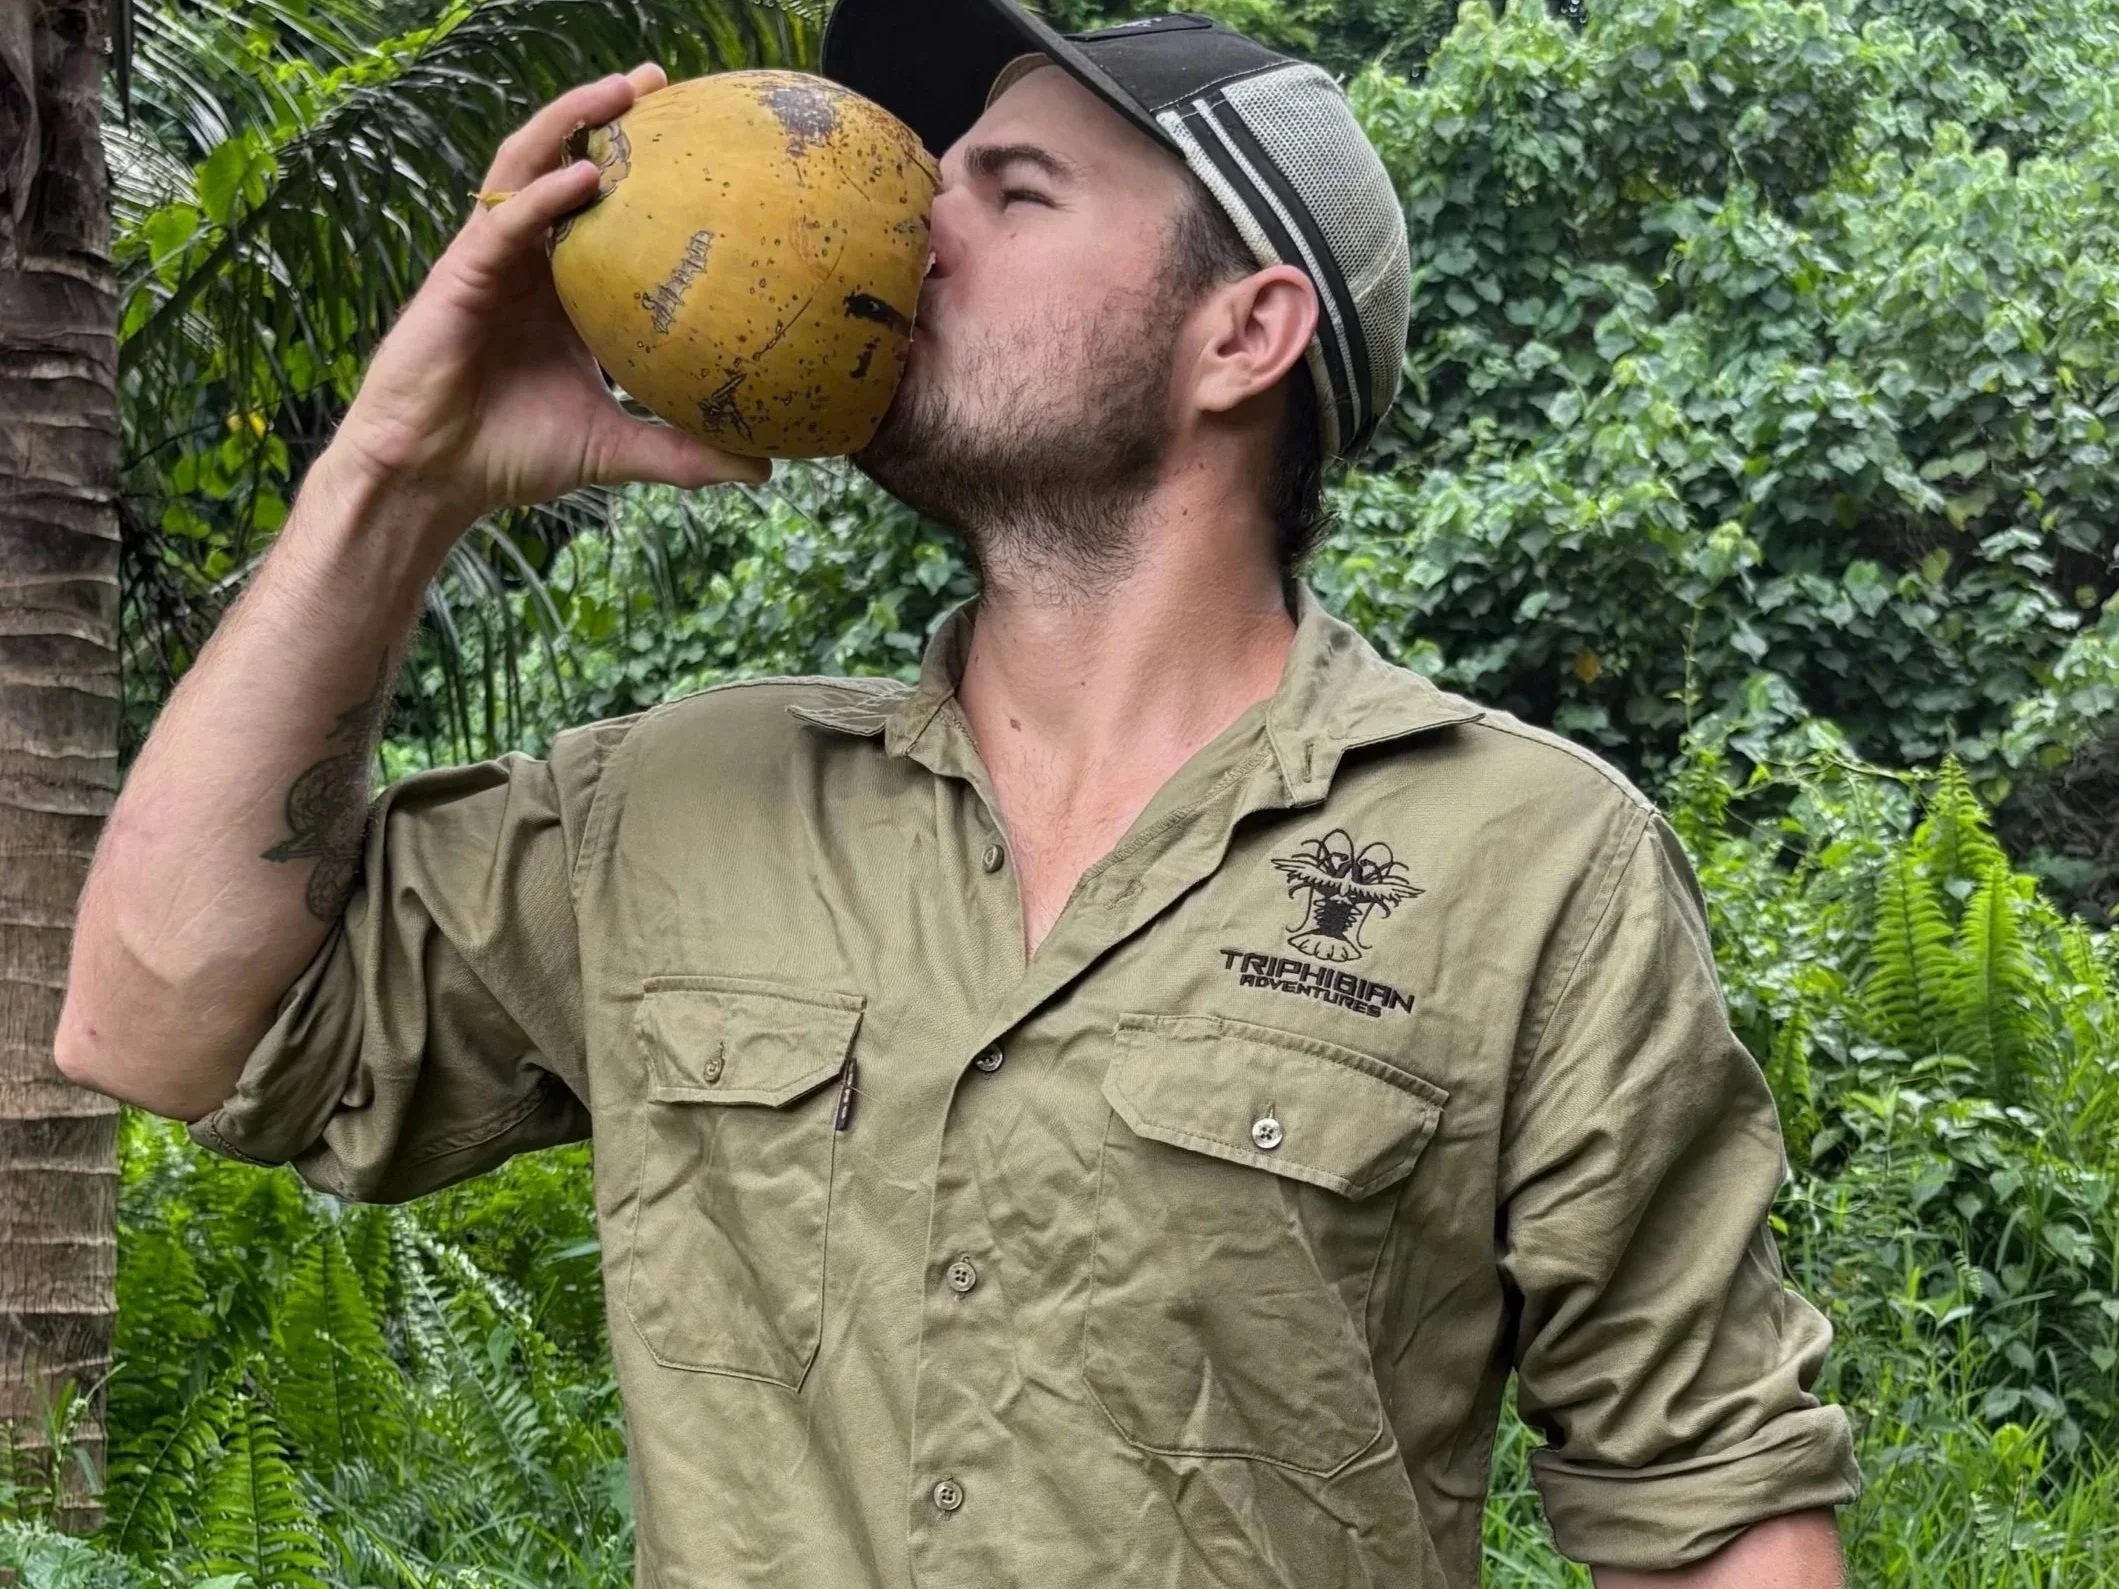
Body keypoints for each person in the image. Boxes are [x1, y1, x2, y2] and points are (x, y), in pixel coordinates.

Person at [56, 1, 1861, 1583]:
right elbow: (157, 1010)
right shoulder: (680, 801)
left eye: (1015, 191)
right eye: (933, 177)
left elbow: (1710, 1512)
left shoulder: (1528, 866)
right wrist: (399, 470)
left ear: (1243, 331)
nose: (911, 225)